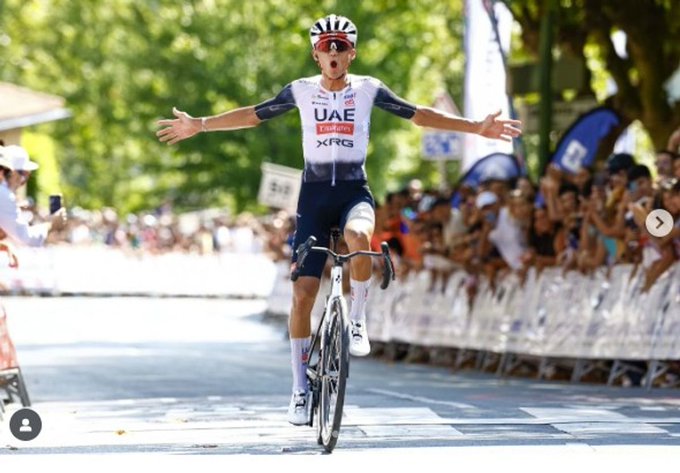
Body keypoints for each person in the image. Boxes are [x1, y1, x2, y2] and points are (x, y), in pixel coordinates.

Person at [156, 14, 522, 425]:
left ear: (352, 53)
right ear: (315, 54)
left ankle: (359, 320)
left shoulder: (369, 89)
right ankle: (298, 389)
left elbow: (418, 114)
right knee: (302, 295)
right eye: (326, 47)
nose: (333, 53)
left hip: (352, 192)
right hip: (313, 200)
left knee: (359, 234)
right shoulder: (300, 91)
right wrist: (200, 125)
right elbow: (254, 115)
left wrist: (475, 127)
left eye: (341, 47)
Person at [0, 145, 66, 247]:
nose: (23, 181)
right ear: (11, 172)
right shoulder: (4, 194)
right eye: (24, 174)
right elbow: (26, 239)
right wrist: (51, 224)